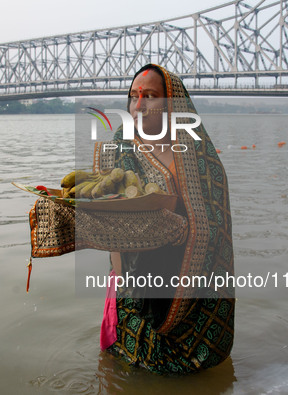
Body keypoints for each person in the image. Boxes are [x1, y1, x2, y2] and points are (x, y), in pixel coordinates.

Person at [92, 64, 235, 374]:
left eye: (151, 96)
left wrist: (185, 230)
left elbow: (215, 217)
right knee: (131, 369)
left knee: (190, 376)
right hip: (135, 281)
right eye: (133, 96)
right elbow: (108, 212)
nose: (138, 105)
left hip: (190, 284)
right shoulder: (119, 147)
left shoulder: (197, 152)